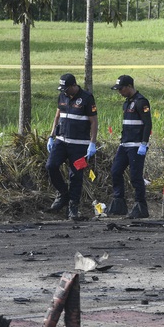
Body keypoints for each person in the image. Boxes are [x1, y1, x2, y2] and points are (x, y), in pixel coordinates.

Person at [46, 73, 98, 219]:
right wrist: (51, 136)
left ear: (74, 86)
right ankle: (63, 194)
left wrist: (92, 143)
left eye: (66, 89)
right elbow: (57, 116)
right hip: (61, 141)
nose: (64, 92)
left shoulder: (87, 98)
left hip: (79, 145)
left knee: (76, 176)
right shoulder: (62, 96)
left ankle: (73, 206)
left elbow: (94, 122)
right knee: (51, 166)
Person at [108, 75, 152, 219]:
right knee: (115, 171)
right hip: (125, 144)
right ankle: (119, 203)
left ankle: (140, 206)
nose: (120, 92)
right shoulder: (127, 103)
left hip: (136, 146)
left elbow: (148, 124)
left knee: (135, 177)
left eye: (121, 89)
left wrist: (144, 143)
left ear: (128, 87)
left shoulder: (141, 102)